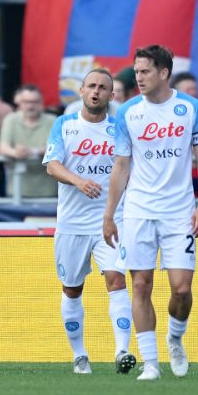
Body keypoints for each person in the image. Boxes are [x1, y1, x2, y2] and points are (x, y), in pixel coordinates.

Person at [102, 44, 198, 382]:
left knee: (181, 289)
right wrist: (109, 214)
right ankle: (150, 363)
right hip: (138, 209)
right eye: (136, 72)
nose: (138, 77)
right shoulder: (127, 112)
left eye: (145, 71)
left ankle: (175, 337)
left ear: (164, 73)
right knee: (140, 284)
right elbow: (121, 166)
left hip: (179, 211)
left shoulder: (191, 108)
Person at [42, 68, 136, 375]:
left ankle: (122, 350)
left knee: (117, 279)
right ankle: (80, 355)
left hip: (111, 219)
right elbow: (52, 166)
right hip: (71, 222)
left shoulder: (120, 128)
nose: (96, 91)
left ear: (112, 95)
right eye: (91, 86)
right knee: (72, 288)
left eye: (103, 88)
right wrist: (78, 181)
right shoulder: (65, 125)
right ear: (81, 91)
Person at [0, 84, 57, 198]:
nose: (30, 106)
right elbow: (2, 147)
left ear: (41, 103)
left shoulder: (53, 121)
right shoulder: (10, 119)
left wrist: (32, 152)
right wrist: (15, 153)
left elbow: (57, 149)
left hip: (48, 190)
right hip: (17, 189)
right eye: (26, 102)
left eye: (35, 102)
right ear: (19, 103)